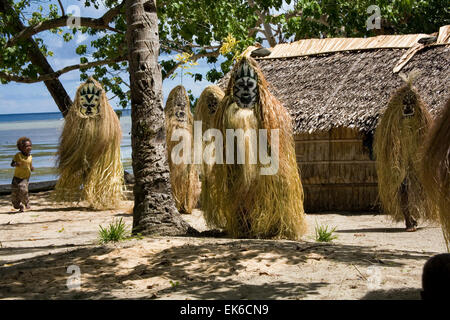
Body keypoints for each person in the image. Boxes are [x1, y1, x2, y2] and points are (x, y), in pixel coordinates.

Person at [10, 137, 34, 212]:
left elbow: (30, 165)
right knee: (14, 194)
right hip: (16, 178)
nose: (29, 147)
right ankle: (19, 206)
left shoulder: (30, 157)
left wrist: (32, 167)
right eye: (26, 146)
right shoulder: (18, 155)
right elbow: (12, 164)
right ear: (21, 147)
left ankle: (26, 203)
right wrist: (16, 164)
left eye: (30, 145)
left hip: (25, 178)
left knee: (23, 190)